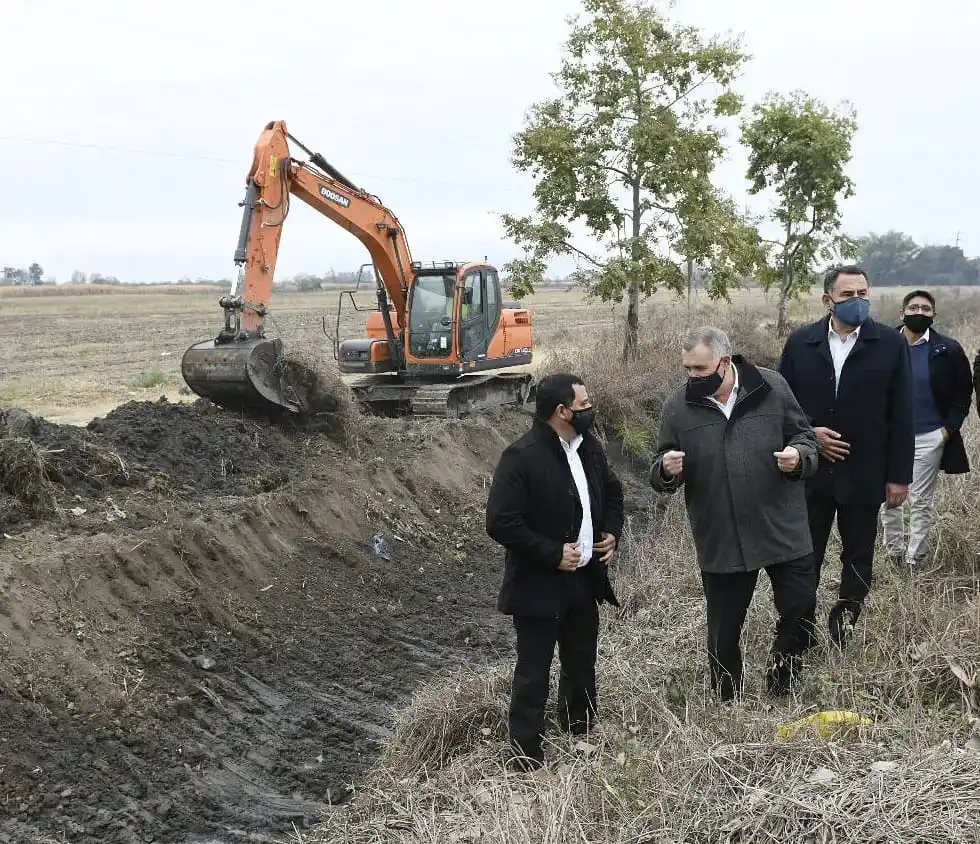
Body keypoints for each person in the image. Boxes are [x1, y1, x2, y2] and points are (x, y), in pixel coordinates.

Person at [650, 327, 819, 701]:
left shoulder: (771, 387)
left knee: (801, 609)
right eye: (687, 369)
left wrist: (797, 458)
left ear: (725, 362)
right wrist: (665, 469)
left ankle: (782, 681)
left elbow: (806, 439)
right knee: (723, 631)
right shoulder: (678, 406)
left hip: (781, 527)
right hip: (721, 535)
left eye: (699, 369)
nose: (692, 376)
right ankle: (728, 699)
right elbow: (658, 466)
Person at [486, 373, 624, 771]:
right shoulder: (522, 456)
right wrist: (550, 553)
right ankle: (525, 756)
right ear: (562, 411)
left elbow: (613, 492)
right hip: (538, 585)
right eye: (584, 405)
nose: (590, 411)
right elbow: (500, 521)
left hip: (583, 580)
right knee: (534, 670)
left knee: (581, 661)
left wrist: (611, 532)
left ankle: (579, 733)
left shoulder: (589, 448)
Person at [778, 264, 913, 652]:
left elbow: (901, 414)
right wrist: (809, 435)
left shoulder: (889, 343)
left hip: (865, 471)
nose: (857, 302)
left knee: (858, 556)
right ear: (828, 300)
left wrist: (899, 476)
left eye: (863, 294)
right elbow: (782, 406)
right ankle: (799, 632)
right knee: (804, 557)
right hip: (811, 473)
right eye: (848, 295)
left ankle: (844, 627)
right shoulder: (801, 343)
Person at [881, 290, 972, 567]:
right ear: (902, 312)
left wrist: (948, 430)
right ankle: (893, 552)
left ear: (934, 315)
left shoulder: (948, 350)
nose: (919, 313)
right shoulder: (883, 345)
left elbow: (963, 391)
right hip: (889, 436)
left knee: (921, 500)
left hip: (929, 436)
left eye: (925, 309)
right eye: (913, 307)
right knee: (888, 497)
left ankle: (915, 558)